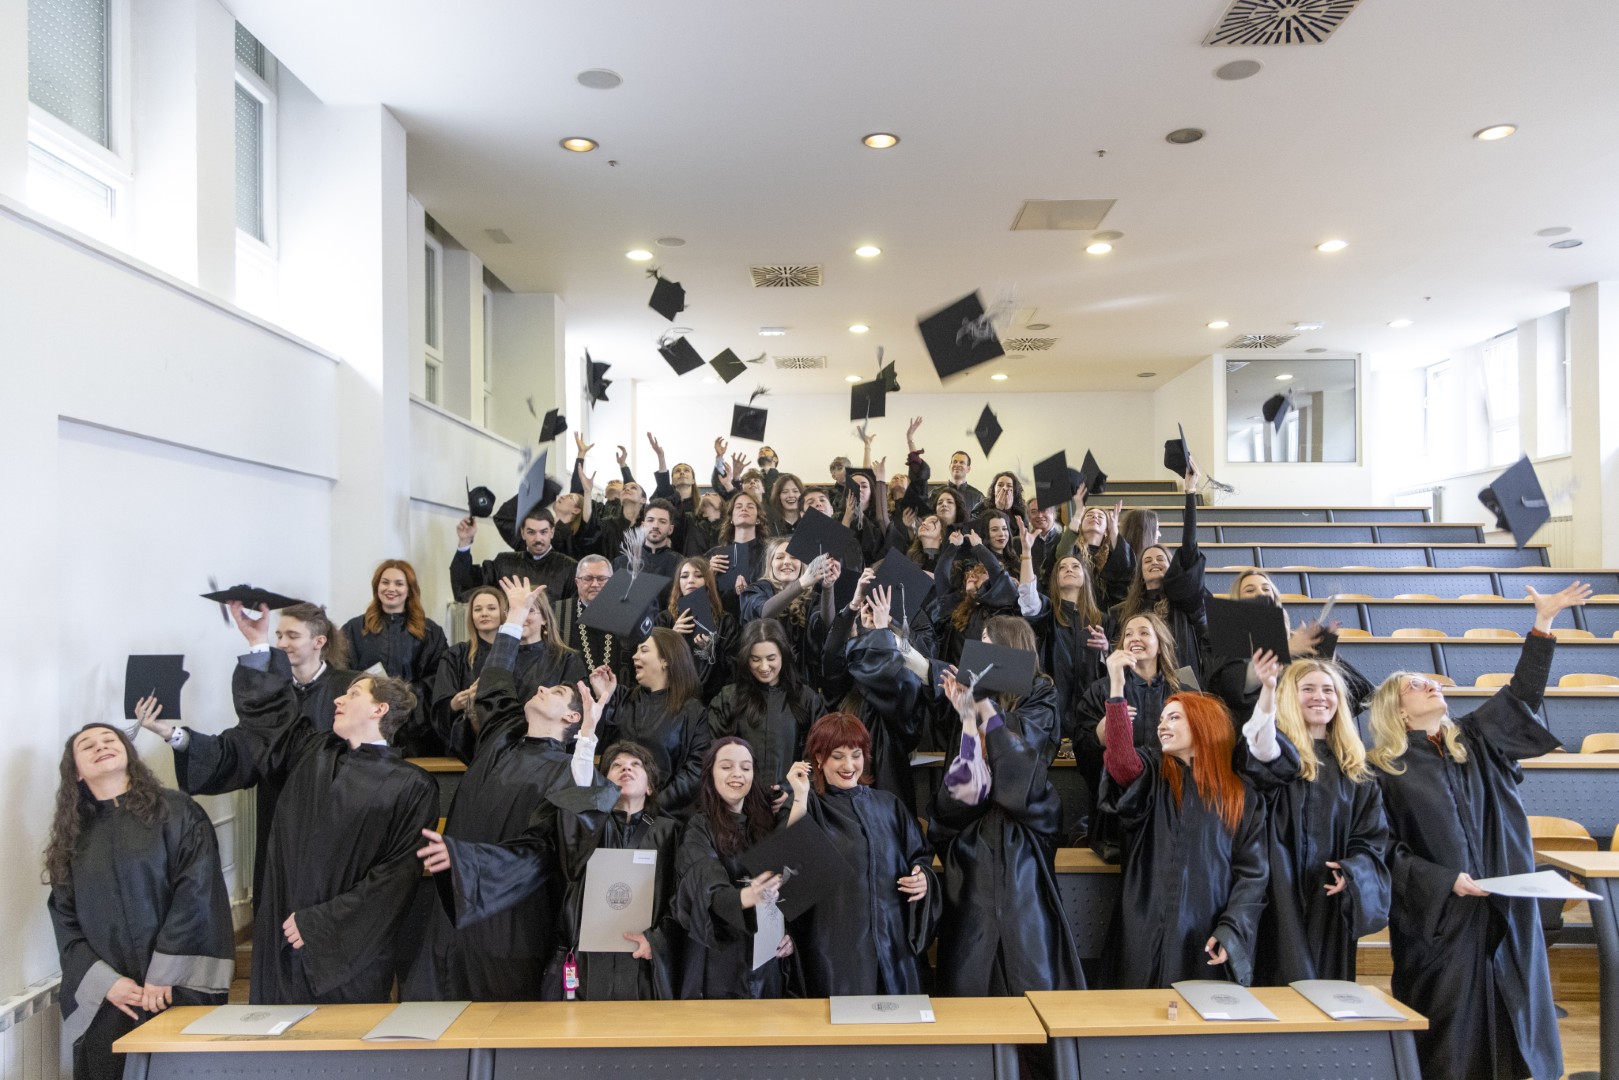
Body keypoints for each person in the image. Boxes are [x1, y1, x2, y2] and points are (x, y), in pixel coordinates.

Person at [1366, 581, 1590, 1080]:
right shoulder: (1383, 770)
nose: (1432, 685)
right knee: (1450, 1038)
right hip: (1442, 918)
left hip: (1506, 904)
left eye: (1432, 681)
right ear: (1397, 710)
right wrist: (1446, 881)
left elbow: (1523, 695)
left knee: (1515, 1021)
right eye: (1416, 685)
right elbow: (1384, 849)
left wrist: (1543, 624)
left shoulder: (1478, 741)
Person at [160, 601, 437, 1004]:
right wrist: (258, 645)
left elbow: (394, 878)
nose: (338, 700)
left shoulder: (412, 785)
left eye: (352, 694)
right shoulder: (311, 751)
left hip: (346, 950)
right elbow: (272, 716)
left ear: (379, 709)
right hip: (282, 927)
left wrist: (320, 923)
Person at [408, 578, 605, 1000]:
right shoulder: (501, 736)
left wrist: (589, 733)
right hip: (455, 915)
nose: (540, 687)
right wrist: (514, 616)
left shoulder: (569, 773)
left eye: (555, 691)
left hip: (512, 924)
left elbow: (550, 849)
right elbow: (496, 680)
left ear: (571, 719)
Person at [46, 722, 233, 1080]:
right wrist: (108, 984)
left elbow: (197, 890)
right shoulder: (73, 838)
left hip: (177, 988)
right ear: (77, 773)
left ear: (128, 754)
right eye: (87, 746)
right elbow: (65, 920)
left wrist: (165, 973)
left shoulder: (178, 812)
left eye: (109, 739)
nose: (101, 746)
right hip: (113, 999)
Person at [1099, 686, 1270, 987]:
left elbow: (1252, 874)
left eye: (1174, 718)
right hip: (1145, 924)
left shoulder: (1240, 797)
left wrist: (1232, 928)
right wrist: (1116, 689)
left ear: (1204, 724)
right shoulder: (1154, 777)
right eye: (1161, 719)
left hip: (1206, 932)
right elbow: (1122, 762)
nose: (1162, 726)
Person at [929, 661, 1082, 996]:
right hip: (972, 934)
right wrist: (968, 722)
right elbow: (966, 784)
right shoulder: (963, 813)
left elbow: (1016, 769)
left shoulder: (1037, 804)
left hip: (1029, 935)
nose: (990, 747)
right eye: (984, 743)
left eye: (996, 742)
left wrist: (984, 708)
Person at [1242, 656, 1390, 983]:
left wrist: (1353, 872)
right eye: (1307, 689)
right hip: (1278, 893)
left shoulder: (1356, 772)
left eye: (1328, 689)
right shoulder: (1280, 757)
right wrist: (1268, 689)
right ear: (1289, 698)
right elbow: (1260, 742)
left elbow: (1371, 838)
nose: (1319, 696)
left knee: (1327, 988)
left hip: (1329, 896)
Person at [793, 713, 939, 996]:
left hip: (895, 948)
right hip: (835, 955)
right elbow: (789, 870)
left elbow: (920, 856)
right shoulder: (809, 807)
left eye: (856, 755)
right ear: (819, 758)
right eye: (837, 756)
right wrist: (799, 796)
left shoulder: (889, 805)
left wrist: (923, 878)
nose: (849, 766)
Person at [542, 738, 684, 999]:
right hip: (588, 957)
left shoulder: (670, 832)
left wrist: (657, 940)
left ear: (650, 787)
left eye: (635, 764)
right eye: (616, 765)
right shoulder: (587, 828)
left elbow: (680, 897)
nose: (625, 768)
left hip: (643, 959)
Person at [674, 738, 803, 998]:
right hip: (719, 961)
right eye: (726, 767)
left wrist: (788, 934)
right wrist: (746, 896)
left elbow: (792, 880)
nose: (737, 774)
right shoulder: (699, 828)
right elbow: (704, 880)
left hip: (767, 961)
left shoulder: (765, 823)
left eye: (745, 767)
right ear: (710, 774)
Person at [820, 579, 930, 813]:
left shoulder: (904, 679)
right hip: (844, 787)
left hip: (887, 787)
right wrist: (852, 608)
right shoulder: (849, 680)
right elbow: (831, 659)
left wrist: (884, 629)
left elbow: (890, 679)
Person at [596, 627, 713, 819]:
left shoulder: (692, 711)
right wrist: (603, 700)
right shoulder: (622, 698)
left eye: (643, 650)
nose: (634, 656)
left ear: (666, 660)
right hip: (614, 811)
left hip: (664, 816)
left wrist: (653, 805)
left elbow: (696, 770)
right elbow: (599, 748)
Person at [707, 618, 826, 804]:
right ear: (746, 658)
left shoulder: (806, 699)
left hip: (793, 802)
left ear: (783, 656)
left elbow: (819, 754)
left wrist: (791, 789)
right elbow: (715, 754)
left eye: (771, 658)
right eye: (755, 659)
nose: (764, 667)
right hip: (739, 802)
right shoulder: (728, 699)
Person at [341, 559, 449, 755]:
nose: (391, 589)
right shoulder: (355, 629)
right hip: (367, 719)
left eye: (399, 583)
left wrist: (403, 697)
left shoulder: (430, 631)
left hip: (414, 723)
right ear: (377, 587)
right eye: (385, 582)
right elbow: (343, 672)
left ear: (409, 590)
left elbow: (437, 677)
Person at [429, 585, 506, 757]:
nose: (484, 613)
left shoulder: (514, 653)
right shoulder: (455, 655)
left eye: (491, 608)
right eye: (478, 609)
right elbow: (440, 707)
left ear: (503, 613)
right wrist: (455, 703)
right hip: (467, 744)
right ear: (471, 616)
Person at [452, 506, 578, 602]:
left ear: (552, 532)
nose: (538, 539)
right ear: (522, 533)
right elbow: (467, 586)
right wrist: (465, 541)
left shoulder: (569, 568)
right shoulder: (503, 563)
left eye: (543, 532)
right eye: (531, 532)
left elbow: (575, 611)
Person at [657, 556, 739, 698]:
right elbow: (654, 664)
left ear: (707, 582)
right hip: (673, 695)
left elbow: (734, 668)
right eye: (684, 576)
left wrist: (711, 650)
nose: (690, 580)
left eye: (698, 575)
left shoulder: (726, 621)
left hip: (714, 697)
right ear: (678, 584)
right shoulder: (664, 619)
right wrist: (672, 638)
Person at [553, 555, 631, 679]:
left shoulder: (628, 614)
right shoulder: (557, 612)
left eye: (602, 578)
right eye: (588, 578)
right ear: (577, 582)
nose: (595, 584)